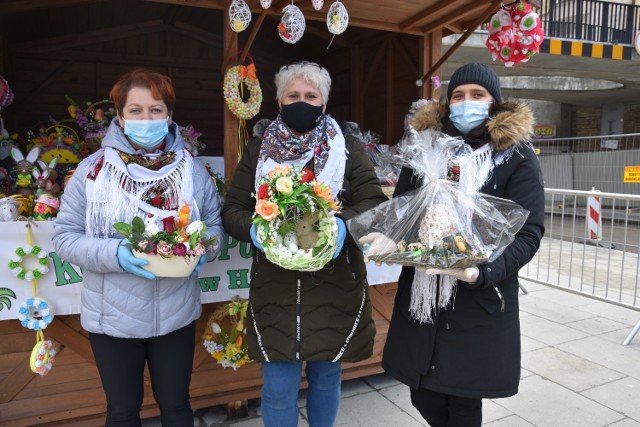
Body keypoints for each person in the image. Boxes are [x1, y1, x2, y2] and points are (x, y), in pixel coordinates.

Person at [52, 68, 224, 427]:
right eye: (136, 110)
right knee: (122, 411)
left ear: (169, 116)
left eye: (156, 110)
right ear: (120, 117)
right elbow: (65, 236)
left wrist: (202, 251)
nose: (146, 118)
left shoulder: (191, 172)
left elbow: (214, 227)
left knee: (176, 405)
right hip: (112, 316)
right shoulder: (92, 172)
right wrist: (116, 254)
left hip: (175, 312)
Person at [376, 63, 545, 426]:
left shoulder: (515, 158)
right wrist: (390, 236)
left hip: (479, 302)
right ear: (447, 103)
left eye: (478, 95)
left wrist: (479, 272)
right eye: (459, 95)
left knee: (463, 401)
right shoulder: (426, 152)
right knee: (423, 394)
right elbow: (403, 210)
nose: (467, 103)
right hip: (424, 296)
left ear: (494, 103)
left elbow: (528, 234)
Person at [221, 61, 388, 427]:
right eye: (293, 95)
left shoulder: (347, 148)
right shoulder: (259, 149)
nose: (302, 102)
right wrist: (256, 231)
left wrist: (342, 227)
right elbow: (232, 209)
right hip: (275, 288)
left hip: (334, 286)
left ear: (324, 103)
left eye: (311, 96)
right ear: (279, 102)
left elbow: (374, 203)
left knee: (326, 379)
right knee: (278, 388)